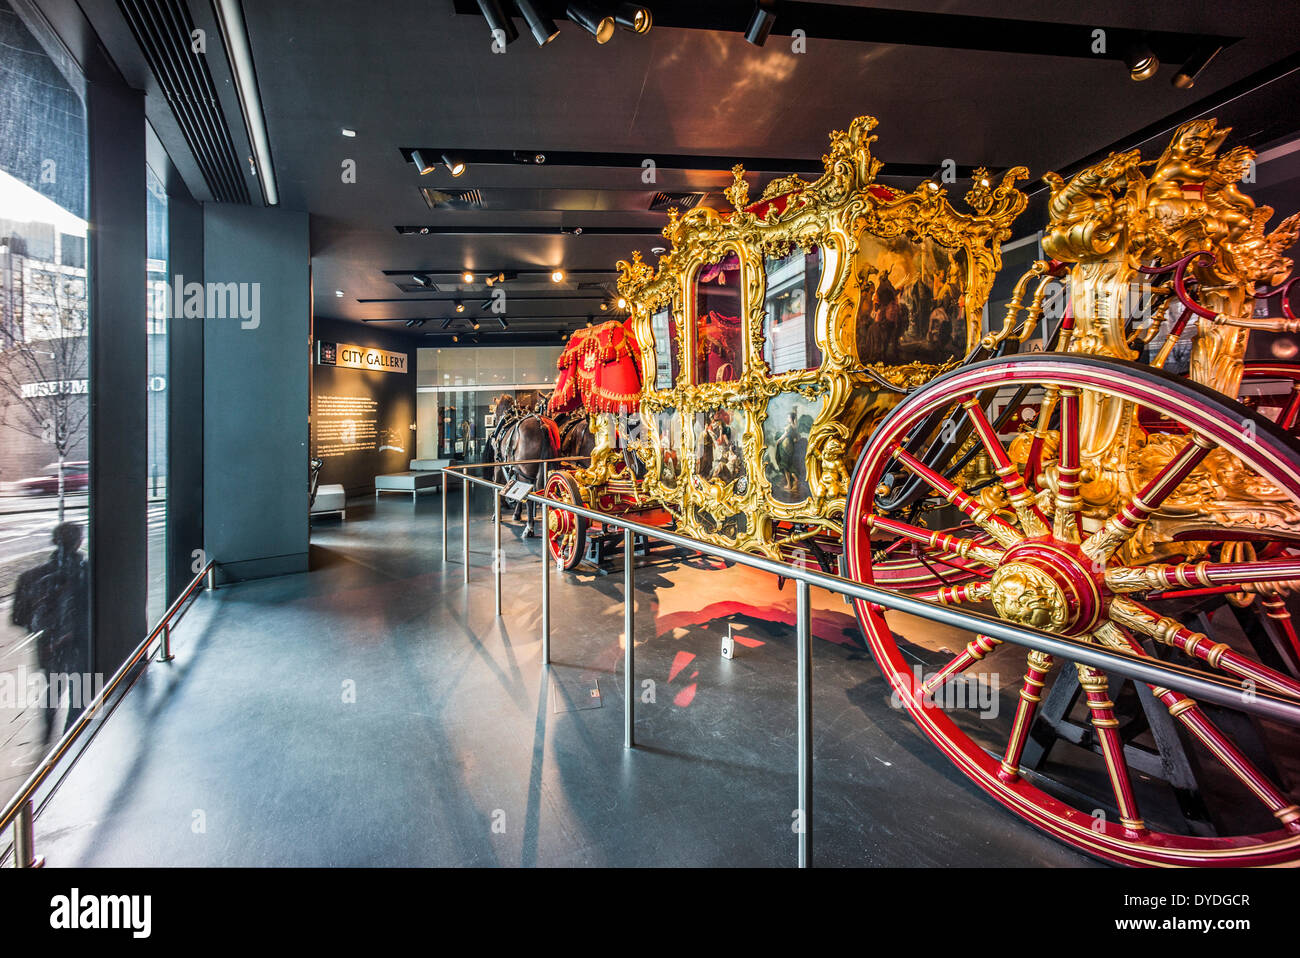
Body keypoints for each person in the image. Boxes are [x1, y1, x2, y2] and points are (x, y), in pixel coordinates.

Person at [11, 522, 90, 741]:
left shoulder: (32, 577)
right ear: (78, 542)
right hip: (79, 645)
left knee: (52, 688)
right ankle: (71, 738)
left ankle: (47, 733)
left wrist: (46, 632)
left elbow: (18, 617)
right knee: (80, 692)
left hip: (49, 646)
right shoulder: (88, 574)